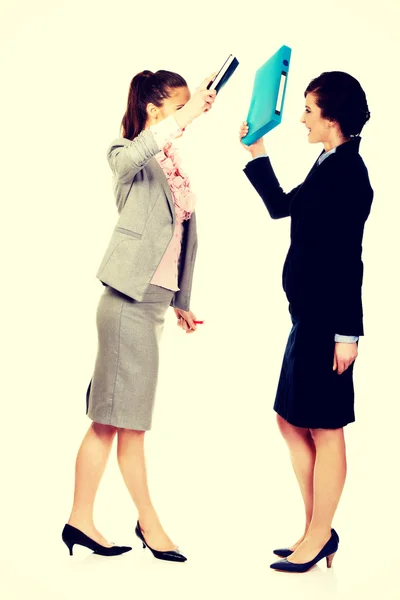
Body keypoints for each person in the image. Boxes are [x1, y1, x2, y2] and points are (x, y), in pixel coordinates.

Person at [62, 69, 217, 561]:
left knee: (113, 420)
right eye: (177, 108)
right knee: (123, 422)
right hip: (126, 303)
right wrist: (183, 117)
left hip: (149, 303)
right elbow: (137, 151)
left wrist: (181, 302)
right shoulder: (126, 155)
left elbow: (175, 240)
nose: (185, 119)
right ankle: (147, 524)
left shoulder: (169, 165)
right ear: (154, 111)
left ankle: (80, 521)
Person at [239, 71, 373, 573]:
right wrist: (256, 150)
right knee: (290, 418)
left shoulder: (349, 174)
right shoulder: (327, 163)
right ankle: (317, 528)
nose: (300, 118)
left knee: (327, 426)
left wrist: (348, 334)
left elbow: (349, 260)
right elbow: (283, 208)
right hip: (307, 319)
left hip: (328, 324)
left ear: (332, 118)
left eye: (308, 111)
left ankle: (319, 534)